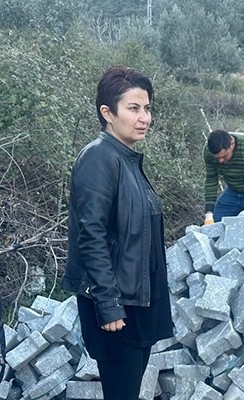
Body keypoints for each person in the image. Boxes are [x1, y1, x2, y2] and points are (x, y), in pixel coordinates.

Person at [63, 67, 173, 400]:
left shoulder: (125, 160)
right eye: (134, 108)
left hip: (135, 304)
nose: (145, 118)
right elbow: (91, 235)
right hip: (117, 309)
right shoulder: (99, 158)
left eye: (147, 108)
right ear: (108, 113)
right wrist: (108, 304)